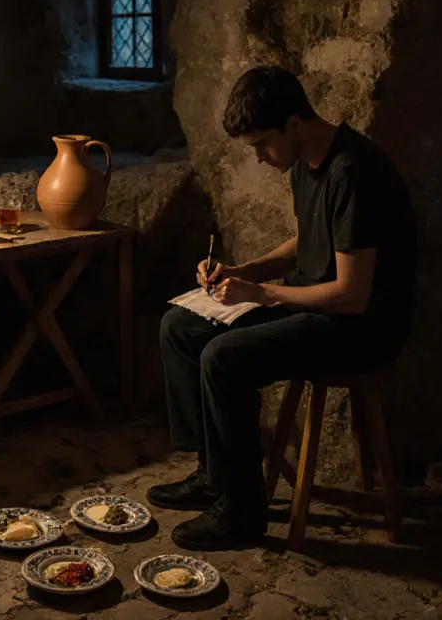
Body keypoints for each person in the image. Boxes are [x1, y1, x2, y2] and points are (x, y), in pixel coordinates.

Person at [149, 66, 417, 550]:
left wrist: (263, 295)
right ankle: (214, 475)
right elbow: (307, 241)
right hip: (315, 303)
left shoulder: (353, 172)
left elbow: (352, 295)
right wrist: (244, 271)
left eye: (261, 145)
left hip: (360, 326)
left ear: (294, 123)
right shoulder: (305, 162)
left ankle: (241, 513)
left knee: (224, 358)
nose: (258, 157)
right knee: (180, 327)